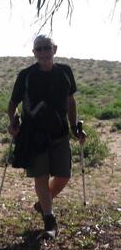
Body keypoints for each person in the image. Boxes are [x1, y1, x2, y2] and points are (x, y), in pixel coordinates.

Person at [7, 34, 86, 239]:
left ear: (55, 49)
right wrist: (13, 122)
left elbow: (71, 101)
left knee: (64, 175)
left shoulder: (65, 72)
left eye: (46, 48)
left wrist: (74, 126)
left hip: (59, 133)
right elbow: (12, 104)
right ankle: (49, 219)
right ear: (34, 53)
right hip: (34, 135)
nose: (43, 52)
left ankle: (43, 203)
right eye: (39, 49)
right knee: (40, 176)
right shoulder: (26, 75)